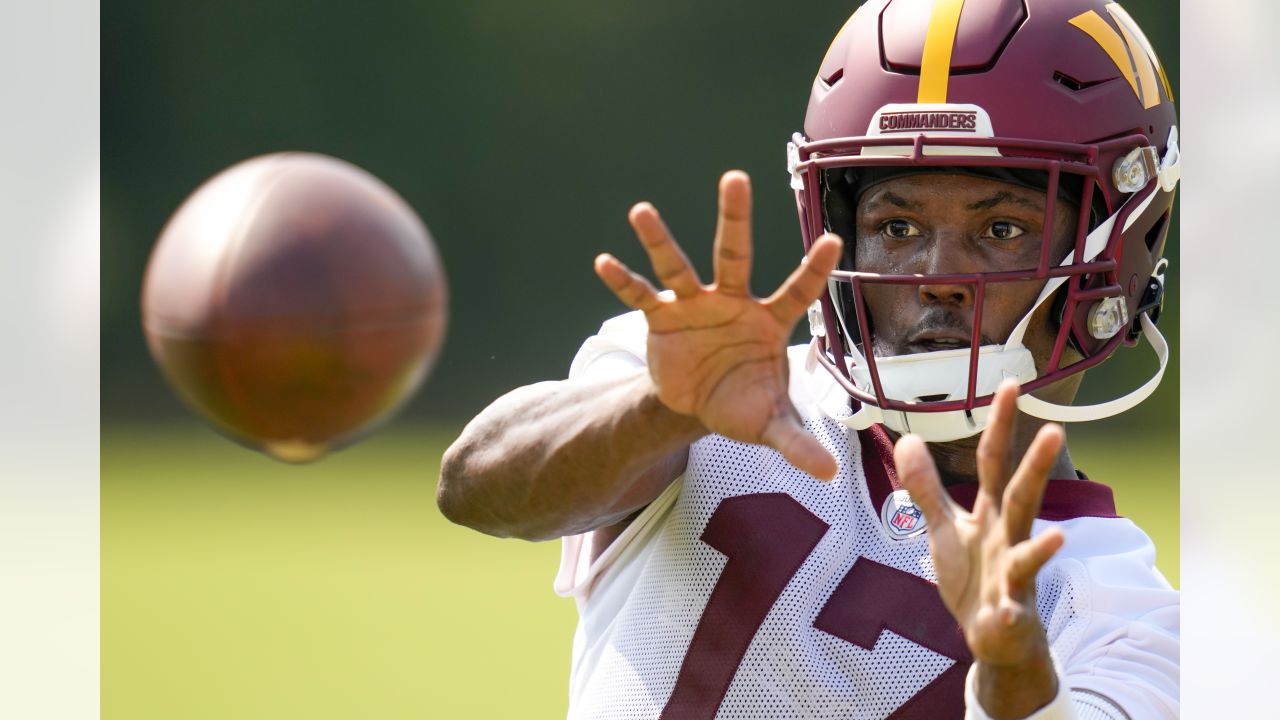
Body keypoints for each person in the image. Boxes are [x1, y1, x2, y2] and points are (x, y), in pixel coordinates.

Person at [437, 0, 1179, 717]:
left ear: (1125, 252)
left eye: (1004, 228)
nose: (937, 274)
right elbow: (475, 487)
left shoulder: (1125, 616)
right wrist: (661, 410)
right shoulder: (713, 390)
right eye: (895, 226)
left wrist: (1017, 676)